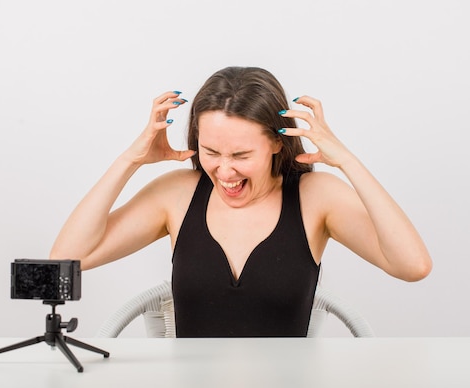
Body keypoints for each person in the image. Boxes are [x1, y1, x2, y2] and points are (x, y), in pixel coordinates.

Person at [49, 66, 432, 337]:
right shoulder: (178, 194)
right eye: (211, 151)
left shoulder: (316, 197)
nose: (225, 171)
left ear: (277, 143)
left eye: (241, 155)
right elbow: (65, 260)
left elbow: (412, 266)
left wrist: (347, 160)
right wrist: (129, 160)